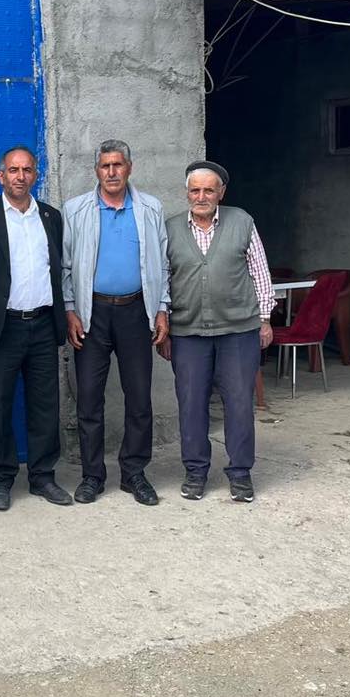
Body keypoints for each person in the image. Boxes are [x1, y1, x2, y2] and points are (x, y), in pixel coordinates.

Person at [157, 161, 275, 502]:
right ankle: (195, 472)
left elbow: (260, 272)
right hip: (187, 332)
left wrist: (264, 318)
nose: (201, 196)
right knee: (191, 403)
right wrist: (164, 325)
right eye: (195, 190)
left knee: (239, 402)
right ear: (187, 193)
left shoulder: (242, 222)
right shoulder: (171, 229)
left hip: (238, 330)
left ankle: (240, 474)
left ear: (221, 193)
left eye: (209, 190)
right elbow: (162, 280)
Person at [62, 140, 169, 506]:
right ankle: (92, 476)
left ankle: (134, 472)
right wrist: (71, 309)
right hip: (91, 315)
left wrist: (162, 308)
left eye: (118, 165)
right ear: (97, 170)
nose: (111, 172)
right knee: (89, 399)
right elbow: (65, 266)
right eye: (105, 166)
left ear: (129, 168)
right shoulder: (76, 210)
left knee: (139, 396)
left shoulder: (150, 208)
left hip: (135, 312)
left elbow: (163, 264)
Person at [0, 147, 71, 510]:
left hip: (43, 323)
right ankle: (1, 479)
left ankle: (43, 476)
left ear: (36, 175)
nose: (20, 176)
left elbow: (59, 269)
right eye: (13, 170)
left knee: (45, 404)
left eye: (27, 170)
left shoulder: (50, 217)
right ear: (1, 176)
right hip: (3, 328)